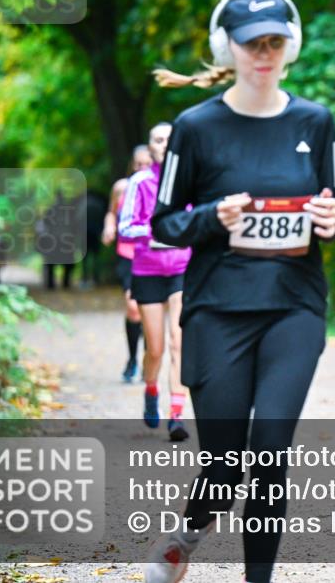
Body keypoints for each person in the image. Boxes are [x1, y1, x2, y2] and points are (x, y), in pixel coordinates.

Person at [144, 0, 335, 583]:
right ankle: (186, 537)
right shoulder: (195, 126)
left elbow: (334, 210)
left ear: (292, 46)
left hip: (294, 306)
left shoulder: (316, 120)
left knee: (270, 454)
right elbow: (165, 222)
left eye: (275, 42)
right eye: (252, 43)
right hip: (217, 308)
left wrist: (331, 221)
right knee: (225, 464)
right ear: (226, 47)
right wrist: (214, 218)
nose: (264, 53)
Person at [117, 124, 191, 441]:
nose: (164, 144)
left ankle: (176, 415)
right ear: (151, 147)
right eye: (158, 140)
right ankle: (150, 390)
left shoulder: (189, 181)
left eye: (169, 139)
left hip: (181, 269)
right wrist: (155, 231)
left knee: (179, 341)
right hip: (147, 270)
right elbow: (125, 228)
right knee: (156, 348)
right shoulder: (140, 181)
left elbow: (196, 219)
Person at [103, 145, 153, 382]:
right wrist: (109, 226)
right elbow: (112, 213)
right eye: (138, 164)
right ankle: (132, 359)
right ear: (132, 165)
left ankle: (147, 359)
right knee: (133, 308)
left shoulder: (158, 187)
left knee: (146, 311)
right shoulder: (122, 188)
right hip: (127, 253)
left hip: (151, 255)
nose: (142, 168)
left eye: (147, 164)